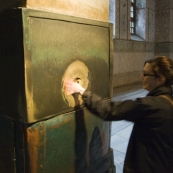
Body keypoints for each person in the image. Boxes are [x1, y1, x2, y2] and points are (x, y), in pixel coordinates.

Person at [64, 56, 173, 173]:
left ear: (160, 79)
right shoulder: (168, 101)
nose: (142, 77)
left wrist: (82, 91)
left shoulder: (150, 105)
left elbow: (110, 110)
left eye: (146, 74)